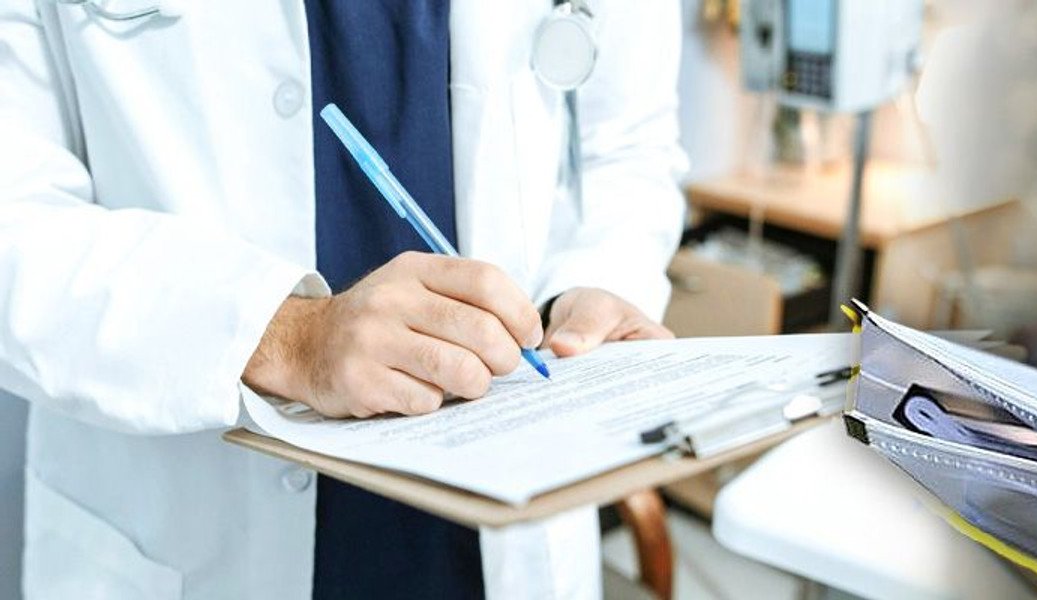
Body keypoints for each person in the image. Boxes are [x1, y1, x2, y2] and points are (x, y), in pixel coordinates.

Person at [0, 1, 685, 597]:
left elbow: (628, 146)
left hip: (497, 531)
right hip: (191, 528)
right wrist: (288, 336)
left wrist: (595, 281)